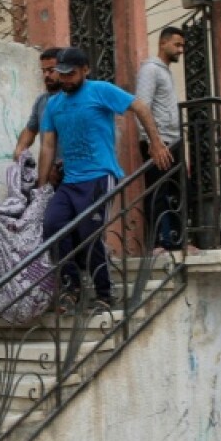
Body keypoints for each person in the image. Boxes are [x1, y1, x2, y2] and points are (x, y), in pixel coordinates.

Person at [38, 47, 172, 314]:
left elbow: (140, 106)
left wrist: (156, 143)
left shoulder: (100, 90)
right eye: (61, 74)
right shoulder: (53, 104)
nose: (65, 79)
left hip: (99, 176)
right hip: (70, 181)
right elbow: (48, 146)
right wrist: (41, 186)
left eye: (71, 74)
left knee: (89, 234)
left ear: (85, 70)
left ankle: (104, 293)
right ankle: (71, 287)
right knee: (53, 225)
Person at [135, 27, 185, 254]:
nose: (180, 50)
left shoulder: (165, 71)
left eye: (182, 46)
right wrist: (152, 142)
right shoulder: (150, 70)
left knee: (178, 190)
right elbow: (142, 106)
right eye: (177, 45)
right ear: (163, 43)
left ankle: (177, 241)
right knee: (158, 192)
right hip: (158, 141)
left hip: (173, 139)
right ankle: (157, 243)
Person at [13, 47, 61, 161]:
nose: (46, 75)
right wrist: (19, 149)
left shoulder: (75, 98)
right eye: (44, 71)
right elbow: (30, 130)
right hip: (50, 173)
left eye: (51, 70)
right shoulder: (41, 101)